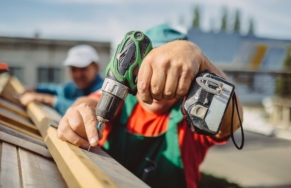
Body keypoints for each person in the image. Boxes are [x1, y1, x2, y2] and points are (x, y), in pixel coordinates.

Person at [56, 24, 243, 188]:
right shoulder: (120, 101)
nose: (158, 80)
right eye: (151, 68)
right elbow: (90, 102)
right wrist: (79, 113)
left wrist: (198, 59)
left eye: (172, 71)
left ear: (189, 75)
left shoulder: (194, 114)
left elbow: (233, 121)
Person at [19, 44, 104, 115]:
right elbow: (57, 89)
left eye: (83, 69)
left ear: (96, 67)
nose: (78, 75)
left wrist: (45, 99)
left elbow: (79, 109)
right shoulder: (74, 87)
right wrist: (35, 89)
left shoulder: (104, 90)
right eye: (74, 69)